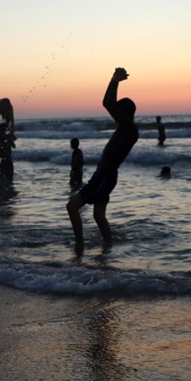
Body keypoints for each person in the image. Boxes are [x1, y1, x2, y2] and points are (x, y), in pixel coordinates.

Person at [67, 68, 139, 253]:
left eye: (118, 112)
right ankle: (108, 246)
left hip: (104, 176)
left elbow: (108, 102)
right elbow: (110, 104)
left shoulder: (128, 128)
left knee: (72, 206)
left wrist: (115, 80)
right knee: (99, 216)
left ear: (124, 114)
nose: (114, 116)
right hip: (106, 176)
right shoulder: (127, 129)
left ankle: (79, 245)